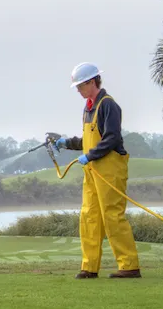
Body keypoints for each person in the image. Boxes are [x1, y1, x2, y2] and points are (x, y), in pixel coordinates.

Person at [52, 62, 141, 279]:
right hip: (92, 172)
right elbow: (88, 140)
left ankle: (129, 265)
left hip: (110, 170)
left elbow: (112, 138)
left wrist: (90, 155)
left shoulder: (108, 105)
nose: (78, 91)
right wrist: (67, 143)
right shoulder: (88, 108)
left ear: (92, 82)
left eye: (80, 86)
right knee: (89, 216)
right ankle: (89, 267)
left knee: (112, 216)